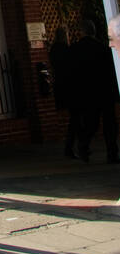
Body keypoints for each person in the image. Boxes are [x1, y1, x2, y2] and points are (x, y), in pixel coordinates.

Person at [69, 19, 119, 163]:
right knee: (110, 123)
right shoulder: (102, 48)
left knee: (91, 123)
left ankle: (83, 146)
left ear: (81, 32)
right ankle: (112, 153)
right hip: (104, 91)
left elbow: (73, 74)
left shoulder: (75, 50)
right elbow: (111, 71)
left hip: (86, 92)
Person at [49, 26, 76, 157]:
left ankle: (71, 146)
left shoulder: (53, 49)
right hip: (70, 86)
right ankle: (73, 146)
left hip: (60, 85)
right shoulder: (66, 49)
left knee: (74, 117)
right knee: (76, 117)